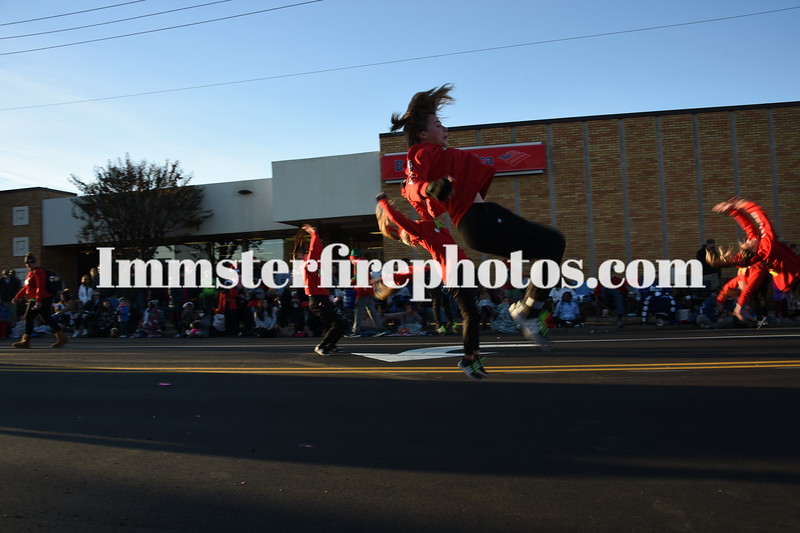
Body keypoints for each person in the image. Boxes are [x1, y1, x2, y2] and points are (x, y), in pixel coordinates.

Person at [390, 84, 565, 349]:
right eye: (438, 124)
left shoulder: (442, 155)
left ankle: (528, 309)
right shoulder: (421, 152)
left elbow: (421, 202)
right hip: (478, 220)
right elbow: (414, 184)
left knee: (550, 248)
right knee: (553, 243)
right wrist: (430, 188)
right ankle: (527, 311)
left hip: (483, 219)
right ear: (424, 132)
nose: (445, 129)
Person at [376, 193, 487, 379]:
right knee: (470, 315)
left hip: (465, 268)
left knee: (474, 315)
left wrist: (406, 193)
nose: (410, 222)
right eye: (405, 229)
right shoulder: (419, 231)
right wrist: (383, 202)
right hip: (454, 273)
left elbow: (421, 207)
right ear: (409, 235)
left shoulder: (430, 223)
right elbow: (397, 218)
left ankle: (474, 355)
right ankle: (467, 359)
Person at [710, 197, 800, 321]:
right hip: (795, 275)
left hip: (789, 276)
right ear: (754, 249)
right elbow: (762, 218)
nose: (749, 239)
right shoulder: (767, 245)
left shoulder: (755, 250)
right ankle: (763, 318)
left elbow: (749, 227)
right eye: (748, 242)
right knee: (760, 300)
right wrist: (745, 204)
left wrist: (733, 211)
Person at [294, 225, 348, 355]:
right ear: (301, 257)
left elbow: (317, 251)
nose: (307, 253)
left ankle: (331, 345)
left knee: (342, 323)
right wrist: (313, 234)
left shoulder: (312, 265)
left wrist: (329, 297)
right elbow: (314, 251)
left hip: (322, 297)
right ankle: (322, 346)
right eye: (304, 254)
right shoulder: (307, 266)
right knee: (338, 323)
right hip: (317, 299)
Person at [11, 252, 68, 349]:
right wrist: (17, 296)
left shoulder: (38, 271)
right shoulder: (30, 273)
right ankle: (62, 338)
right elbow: (26, 288)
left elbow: (40, 287)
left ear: (35, 262)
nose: (30, 264)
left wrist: (38, 300)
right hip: (36, 299)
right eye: (27, 262)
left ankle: (26, 341)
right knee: (46, 318)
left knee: (29, 317)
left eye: (32, 261)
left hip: (40, 299)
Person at [347, 248, 387, 338]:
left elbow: (359, 275)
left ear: (353, 257)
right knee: (372, 310)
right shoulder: (363, 262)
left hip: (362, 290)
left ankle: (355, 331)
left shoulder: (358, 262)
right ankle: (380, 329)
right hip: (368, 289)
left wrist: (353, 280)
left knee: (359, 311)